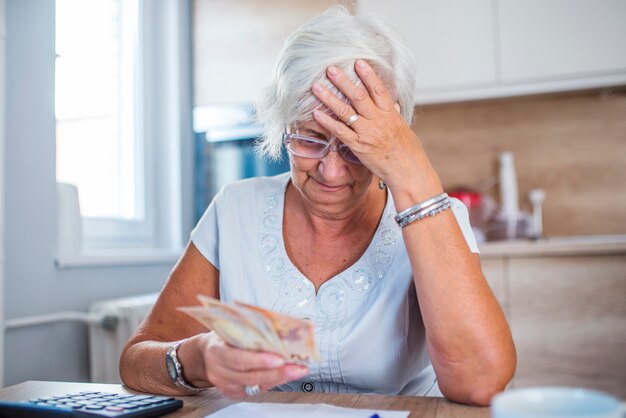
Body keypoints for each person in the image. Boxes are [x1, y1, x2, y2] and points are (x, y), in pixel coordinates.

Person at [119, 5, 516, 406]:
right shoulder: (235, 208)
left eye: (355, 145)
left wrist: (411, 171)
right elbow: (136, 362)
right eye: (309, 139)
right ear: (283, 125)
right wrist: (197, 357)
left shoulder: (435, 214)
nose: (330, 170)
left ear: (391, 137)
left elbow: (481, 383)